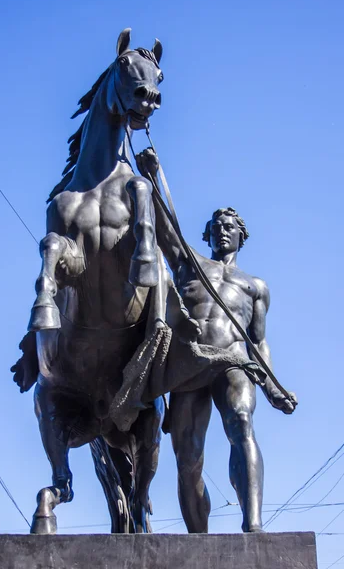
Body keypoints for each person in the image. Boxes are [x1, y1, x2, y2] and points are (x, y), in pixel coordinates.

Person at [135, 148, 297, 534]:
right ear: (207, 234)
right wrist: (154, 176)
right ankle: (198, 538)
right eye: (216, 225)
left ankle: (252, 525)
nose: (223, 229)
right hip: (189, 362)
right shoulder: (189, 262)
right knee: (188, 458)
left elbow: (259, 340)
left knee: (241, 423)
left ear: (242, 235)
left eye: (230, 225)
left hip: (234, 361)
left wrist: (271, 384)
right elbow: (164, 226)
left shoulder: (255, 287)